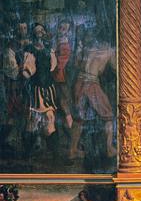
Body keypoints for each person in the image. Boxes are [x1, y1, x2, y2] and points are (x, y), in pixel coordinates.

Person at [22, 23, 71, 165]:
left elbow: (53, 67)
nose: (40, 33)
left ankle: (55, 155)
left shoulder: (49, 49)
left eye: (42, 31)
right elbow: (27, 70)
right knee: (33, 120)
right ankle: (26, 153)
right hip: (36, 89)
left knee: (50, 117)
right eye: (37, 31)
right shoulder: (30, 50)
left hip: (48, 89)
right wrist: (26, 75)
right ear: (34, 34)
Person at [70, 29, 116, 159]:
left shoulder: (88, 48)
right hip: (91, 83)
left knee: (79, 117)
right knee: (107, 115)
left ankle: (72, 150)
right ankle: (109, 149)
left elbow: (77, 64)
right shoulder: (110, 50)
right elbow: (116, 69)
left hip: (79, 82)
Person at [53, 19, 73, 129]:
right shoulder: (58, 40)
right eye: (60, 28)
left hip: (61, 74)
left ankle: (69, 122)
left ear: (67, 31)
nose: (61, 30)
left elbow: (63, 60)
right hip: (58, 73)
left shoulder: (65, 43)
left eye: (64, 29)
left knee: (63, 99)